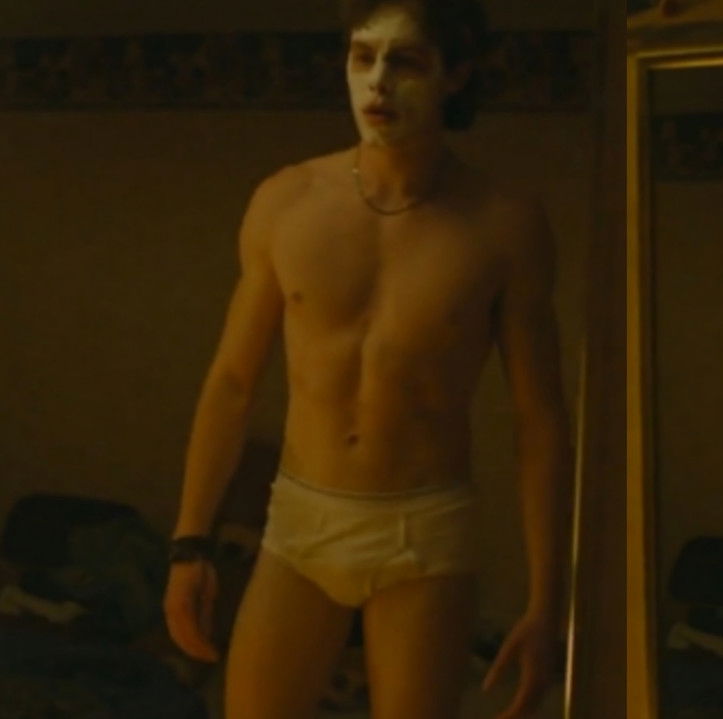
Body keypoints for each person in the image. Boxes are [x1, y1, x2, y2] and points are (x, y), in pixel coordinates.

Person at [162, 1, 572, 717]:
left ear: (454, 75)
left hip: (424, 531)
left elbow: (540, 420)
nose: (378, 82)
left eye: (405, 61)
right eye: (362, 57)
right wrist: (189, 543)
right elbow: (231, 382)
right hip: (301, 520)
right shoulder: (286, 200)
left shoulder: (505, 223)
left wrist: (547, 603)